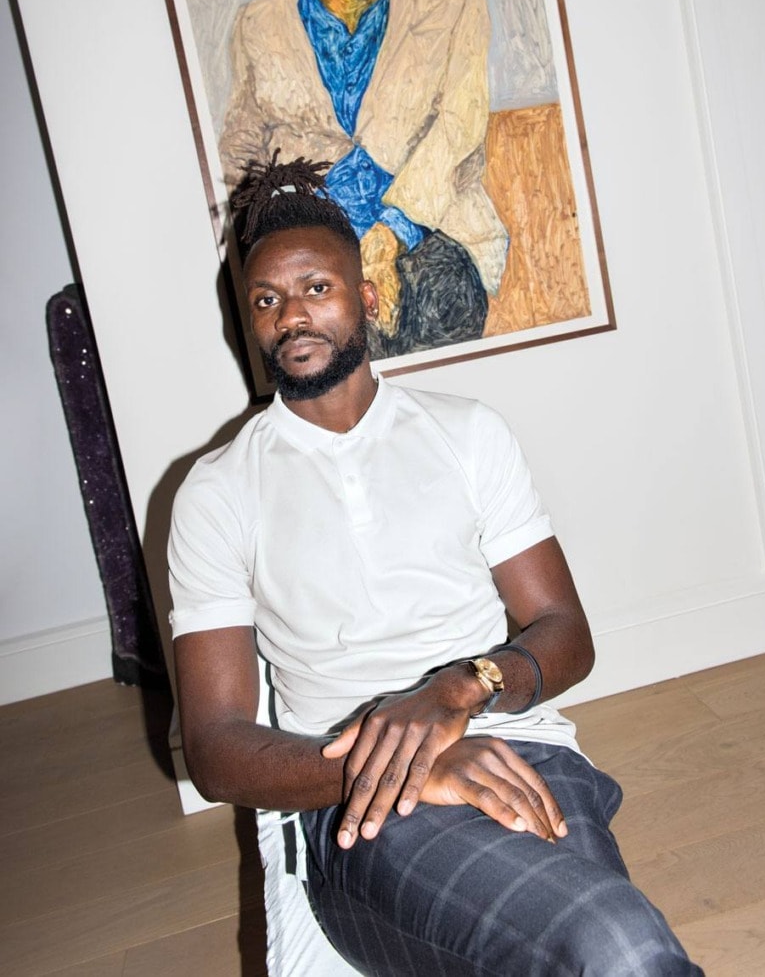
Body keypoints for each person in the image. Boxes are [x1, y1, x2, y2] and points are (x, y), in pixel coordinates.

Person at [168, 156, 703, 976]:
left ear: (368, 298)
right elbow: (213, 745)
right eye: (267, 301)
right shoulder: (217, 492)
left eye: (317, 288)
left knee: (608, 944)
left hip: (523, 746)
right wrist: (405, 757)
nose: (292, 317)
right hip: (362, 802)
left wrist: (458, 690)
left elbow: (565, 633)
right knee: (618, 944)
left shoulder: (468, 434)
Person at [218, 0, 508, 357]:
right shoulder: (259, 23)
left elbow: (458, 130)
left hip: (427, 227)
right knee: (325, 341)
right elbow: (241, 147)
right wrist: (284, 235)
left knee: (440, 301)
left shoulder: (452, 1)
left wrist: (388, 232)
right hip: (314, 249)